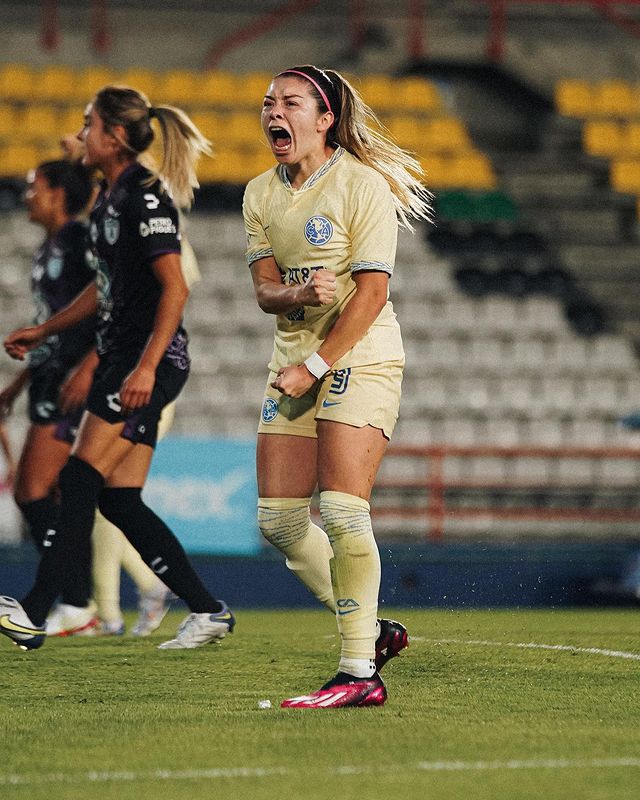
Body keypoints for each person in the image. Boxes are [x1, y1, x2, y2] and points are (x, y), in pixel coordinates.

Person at [0, 84, 234, 652]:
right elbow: (103, 292)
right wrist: (45, 330)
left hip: (140, 363)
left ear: (116, 137)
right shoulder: (109, 200)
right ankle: (208, 610)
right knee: (118, 498)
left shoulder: (145, 199)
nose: (80, 135)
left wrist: (147, 369)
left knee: (79, 478)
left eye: (89, 126)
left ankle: (38, 609)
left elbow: (175, 288)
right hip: (126, 359)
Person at [243, 65, 432, 708]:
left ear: (324, 119)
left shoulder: (362, 186)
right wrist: (297, 293)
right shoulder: (259, 193)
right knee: (278, 519)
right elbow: (266, 291)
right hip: (293, 359)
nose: (275, 111)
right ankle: (371, 629)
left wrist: (318, 365)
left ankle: (358, 673)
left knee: (345, 509)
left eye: (290, 102)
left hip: (361, 354)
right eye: (269, 102)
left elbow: (374, 293)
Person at [0, 159, 98, 622]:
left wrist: (89, 368)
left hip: (70, 381)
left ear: (59, 193)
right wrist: (17, 385)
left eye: (34, 186)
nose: (27, 195)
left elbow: (112, 303)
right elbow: (50, 325)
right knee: (54, 495)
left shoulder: (79, 239)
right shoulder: (50, 246)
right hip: (48, 376)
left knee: (33, 491)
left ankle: (78, 602)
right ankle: (80, 602)